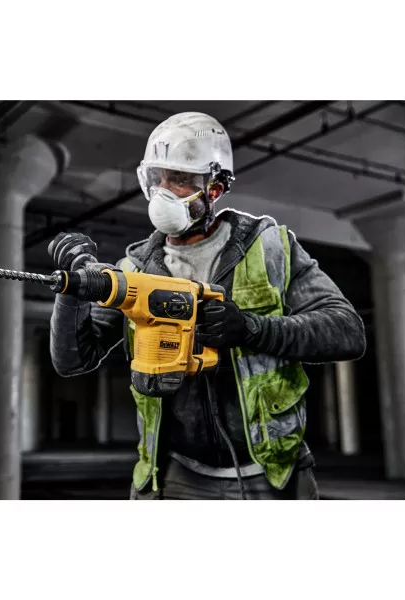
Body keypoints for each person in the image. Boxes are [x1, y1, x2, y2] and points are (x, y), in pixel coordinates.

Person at [48, 112, 366, 500]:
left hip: (270, 474)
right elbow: (73, 360)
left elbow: (346, 331)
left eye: (179, 180)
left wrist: (251, 329)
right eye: (157, 179)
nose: (163, 192)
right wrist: (71, 292)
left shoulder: (270, 248)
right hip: (172, 474)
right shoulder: (134, 271)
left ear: (214, 188)